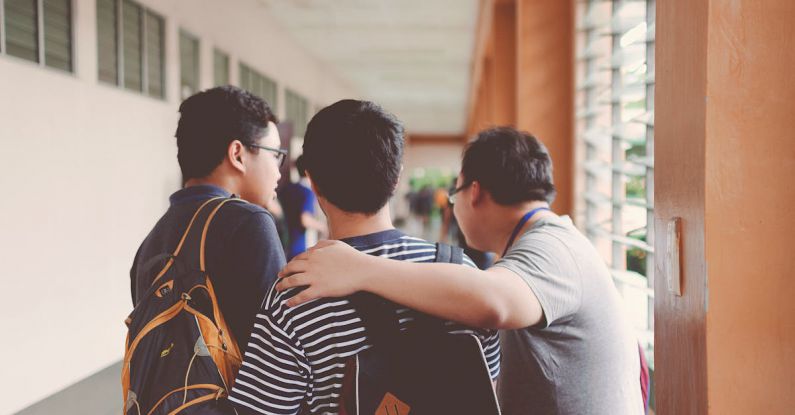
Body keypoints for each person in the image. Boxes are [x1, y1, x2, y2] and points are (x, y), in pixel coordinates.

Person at [278, 127, 645, 415]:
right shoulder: (555, 241)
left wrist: (359, 268)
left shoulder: (553, 249)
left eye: (453, 197)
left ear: (475, 192)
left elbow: (493, 301)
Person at [228, 99, 500, 414]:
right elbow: (484, 392)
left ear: (313, 180)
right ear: (396, 177)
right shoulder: (462, 277)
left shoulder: (295, 295)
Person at [130, 85, 287, 349]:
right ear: (238, 154)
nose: (279, 172)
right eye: (276, 155)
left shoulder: (152, 241)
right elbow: (279, 351)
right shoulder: (250, 222)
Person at [278, 155, 327, 259]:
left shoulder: (286, 188)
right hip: (300, 247)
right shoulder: (308, 192)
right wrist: (322, 227)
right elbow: (305, 220)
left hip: (282, 244)